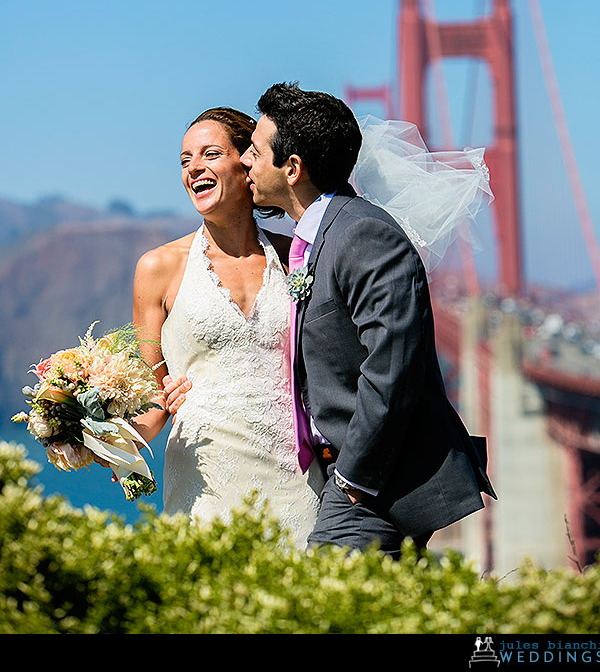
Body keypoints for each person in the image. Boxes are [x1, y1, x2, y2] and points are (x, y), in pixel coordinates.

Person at [240, 82, 497, 558]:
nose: (243, 162)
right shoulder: (316, 238)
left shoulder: (364, 234)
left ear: (292, 169)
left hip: (373, 485)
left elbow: (392, 367)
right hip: (338, 476)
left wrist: (354, 478)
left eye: (254, 152)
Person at [132, 107, 324, 547]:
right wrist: (96, 434)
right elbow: (152, 397)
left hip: (295, 476)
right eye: (184, 161)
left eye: (210, 154)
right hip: (203, 479)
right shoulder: (157, 268)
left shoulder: (298, 255)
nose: (194, 168)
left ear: (247, 164)